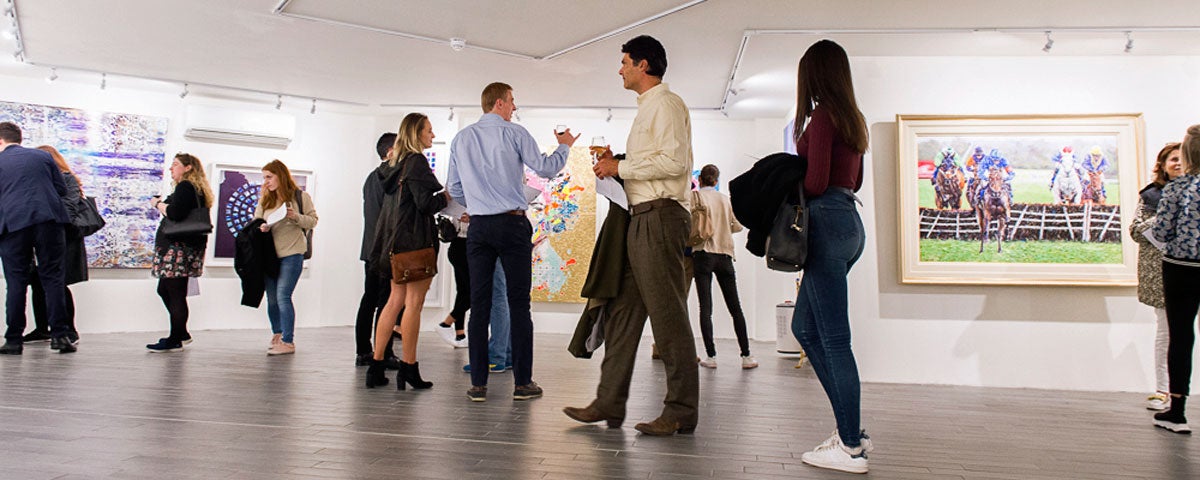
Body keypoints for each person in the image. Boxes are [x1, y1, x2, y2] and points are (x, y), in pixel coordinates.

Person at [563, 35, 698, 436]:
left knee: (669, 317)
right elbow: (655, 161)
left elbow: (674, 163)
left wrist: (619, 167)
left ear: (643, 65)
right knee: (622, 313)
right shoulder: (649, 109)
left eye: (624, 62)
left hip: (659, 218)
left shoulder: (666, 105)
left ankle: (681, 410)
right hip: (642, 219)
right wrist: (619, 164)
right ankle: (609, 401)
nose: (619, 69)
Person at [447, 82, 577, 402]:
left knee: (479, 306)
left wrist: (477, 205)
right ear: (501, 103)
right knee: (519, 305)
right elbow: (546, 168)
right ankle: (522, 383)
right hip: (512, 224)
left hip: (478, 229)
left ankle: (478, 384)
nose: (514, 108)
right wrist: (564, 146)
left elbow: (454, 187)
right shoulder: (515, 133)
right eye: (513, 101)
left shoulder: (461, 139)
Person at [788, 40, 872, 473]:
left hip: (825, 223)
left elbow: (817, 182)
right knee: (803, 326)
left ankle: (851, 445)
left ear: (814, 74)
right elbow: (851, 181)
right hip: (850, 225)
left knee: (836, 340)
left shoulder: (821, 116)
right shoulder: (852, 118)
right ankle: (849, 431)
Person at [365, 113, 447, 389]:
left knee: (393, 302)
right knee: (413, 305)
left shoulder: (393, 163)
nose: (432, 136)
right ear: (416, 133)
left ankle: (376, 366)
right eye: (429, 131)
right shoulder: (416, 162)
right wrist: (446, 197)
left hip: (392, 244)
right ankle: (409, 368)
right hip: (414, 244)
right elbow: (425, 204)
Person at [0, 122, 74, 355]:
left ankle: (13, 340)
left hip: (13, 225)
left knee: (16, 281)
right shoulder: (41, 157)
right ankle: (60, 337)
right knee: (52, 278)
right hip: (49, 221)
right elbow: (61, 189)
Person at [1151, 125, 1200, 434]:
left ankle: (1177, 409)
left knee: (1180, 336)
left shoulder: (1177, 189)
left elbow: (1161, 233)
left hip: (1181, 268)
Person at [1131, 142, 1182, 411]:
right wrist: (1164, 213)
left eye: (1182, 158)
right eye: (1172, 159)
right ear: (1162, 165)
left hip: (1191, 269)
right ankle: (1164, 391)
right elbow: (1137, 231)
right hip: (1162, 273)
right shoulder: (1151, 196)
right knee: (1166, 333)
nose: (1178, 163)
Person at [145, 153, 213, 352]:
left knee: (174, 292)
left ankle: (176, 337)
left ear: (188, 167)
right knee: (167, 290)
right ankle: (180, 332)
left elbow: (175, 213)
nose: (171, 169)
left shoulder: (186, 187)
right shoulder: (196, 189)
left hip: (178, 248)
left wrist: (158, 204)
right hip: (187, 247)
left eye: (175, 165)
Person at [692, 164, 756, 369]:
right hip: (725, 255)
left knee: (706, 308)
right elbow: (737, 226)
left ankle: (711, 357)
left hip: (702, 254)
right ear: (716, 180)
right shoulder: (725, 200)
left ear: (700, 180)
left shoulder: (696, 197)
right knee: (735, 308)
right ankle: (746, 356)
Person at [23, 145, 88, 345]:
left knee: (58, 283)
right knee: (37, 282)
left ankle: (69, 329)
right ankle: (43, 328)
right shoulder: (41, 182)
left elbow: (68, 208)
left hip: (62, 237)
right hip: (41, 237)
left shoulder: (66, 179)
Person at [255, 159, 318, 356]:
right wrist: (262, 227)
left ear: (280, 175)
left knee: (283, 296)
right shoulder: (265, 200)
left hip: (292, 254)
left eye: (269, 177)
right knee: (272, 298)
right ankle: (278, 334)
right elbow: (256, 222)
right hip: (270, 256)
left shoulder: (300, 197)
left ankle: (288, 340)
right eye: (264, 177)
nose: (266, 182)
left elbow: (313, 221)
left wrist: (294, 217)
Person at [356, 133, 401, 368]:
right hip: (384, 250)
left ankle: (364, 350)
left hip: (371, 249)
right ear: (391, 152)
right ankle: (382, 353)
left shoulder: (371, 178)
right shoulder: (389, 179)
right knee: (385, 302)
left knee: (370, 299)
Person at [435, 212, 470, 348]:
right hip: (463, 247)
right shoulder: (464, 200)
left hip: (459, 247)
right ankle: (446, 323)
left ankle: (460, 334)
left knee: (463, 291)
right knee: (472, 293)